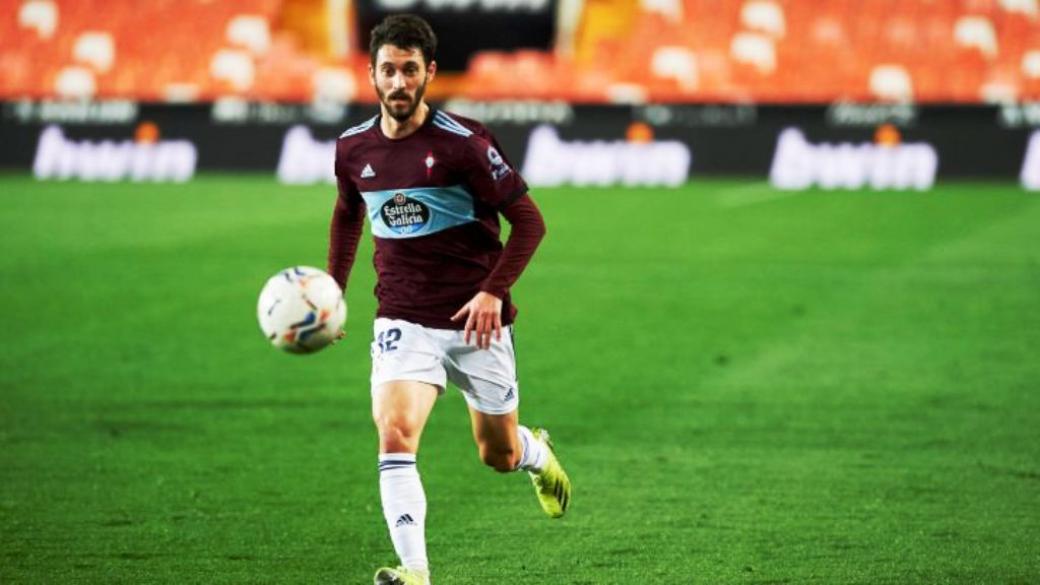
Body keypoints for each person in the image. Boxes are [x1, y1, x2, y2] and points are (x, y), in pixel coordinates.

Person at [326, 14, 571, 585]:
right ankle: (415, 572)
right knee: (395, 431)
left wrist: (492, 292)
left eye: (410, 70)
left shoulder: (465, 145)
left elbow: (530, 223)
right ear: (371, 74)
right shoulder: (352, 148)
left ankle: (536, 453)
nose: (399, 82)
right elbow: (347, 213)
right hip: (403, 316)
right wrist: (333, 290)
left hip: (476, 323)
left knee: (497, 455)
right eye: (389, 70)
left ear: (429, 72)